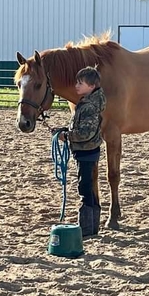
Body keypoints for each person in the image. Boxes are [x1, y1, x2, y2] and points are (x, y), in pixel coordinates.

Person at [52, 66, 106, 236]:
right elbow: (80, 126)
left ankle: (87, 228)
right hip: (86, 151)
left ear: (91, 86)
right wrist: (63, 130)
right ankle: (92, 225)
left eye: (80, 83)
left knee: (85, 188)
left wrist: (66, 137)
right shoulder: (87, 102)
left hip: (86, 152)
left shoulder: (89, 106)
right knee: (87, 186)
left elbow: (85, 132)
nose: (76, 85)